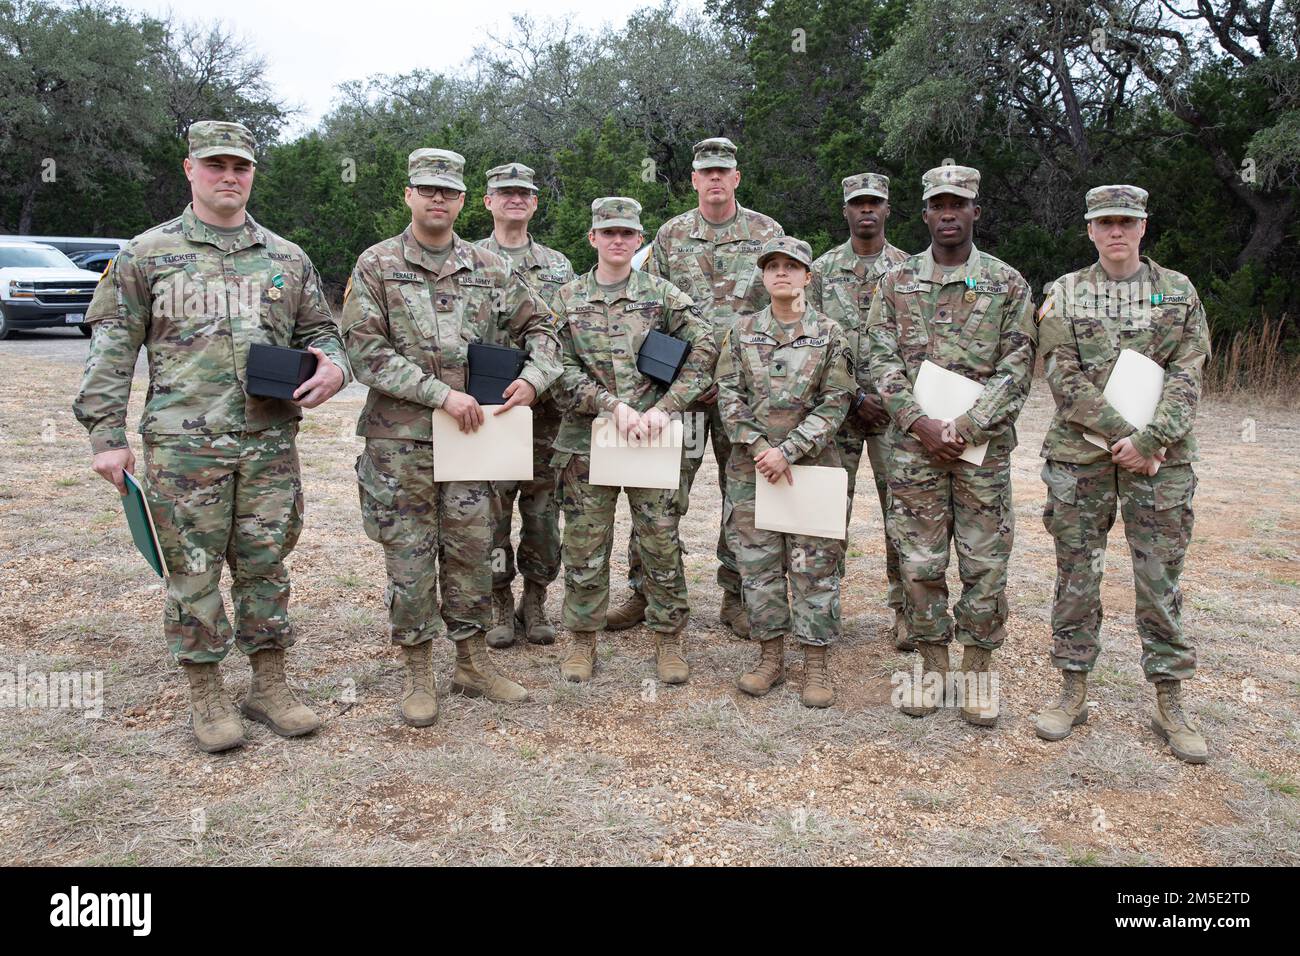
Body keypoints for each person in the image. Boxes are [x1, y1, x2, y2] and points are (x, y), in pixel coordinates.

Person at [73, 120, 351, 753]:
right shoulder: (147, 254)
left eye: (242, 167)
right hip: (183, 447)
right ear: (190, 169)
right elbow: (111, 351)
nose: (230, 177)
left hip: (269, 443)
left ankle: (269, 687)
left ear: (252, 173)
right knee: (192, 570)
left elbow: (323, 333)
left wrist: (334, 366)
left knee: (265, 564)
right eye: (217, 165)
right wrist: (105, 437)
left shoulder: (285, 257)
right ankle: (206, 693)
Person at [342, 148, 562, 727]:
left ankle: (471, 662)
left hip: (474, 441)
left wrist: (533, 380)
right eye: (426, 189)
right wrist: (440, 394)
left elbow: (543, 328)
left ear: (464, 200)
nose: (437, 199)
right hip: (402, 443)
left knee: (470, 551)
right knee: (410, 559)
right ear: (408, 195)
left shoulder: (490, 268)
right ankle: (418, 670)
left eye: (448, 191)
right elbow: (364, 350)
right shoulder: (377, 264)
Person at [1033, 185, 1210, 764]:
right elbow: (1061, 373)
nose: (1115, 232)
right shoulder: (1065, 292)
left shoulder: (1177, 291)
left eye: (1126, 222)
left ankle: (1169, 699)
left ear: (1143, 227)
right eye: (1105, 222)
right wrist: (1118, 435)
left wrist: (1151, 440)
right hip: (1082, 459)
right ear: (1089, 229)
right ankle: (1073, 686)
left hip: (1160, 464)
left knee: (1159, 582)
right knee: (1076, 576)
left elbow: (1189, 371)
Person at [865, 164, 1036, 726]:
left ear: (974, 213)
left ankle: (979, 670)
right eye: (938, 205)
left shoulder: (1008, 284)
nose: (947, 214)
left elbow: (1017, 365)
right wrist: (918, 422)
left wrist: (966, 426)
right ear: (924, 214)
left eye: (957, 205)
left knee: (985, 560)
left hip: (980, 449)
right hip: (915, 448)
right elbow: (878, 355)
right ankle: (933, 665)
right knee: (919, 560)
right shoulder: (896, 282)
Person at [608, 137, 784, 638]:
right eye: (704, 172)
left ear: (735, 178)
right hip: (681, 393)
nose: (713, 180)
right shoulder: (670, 235)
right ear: (692, 179)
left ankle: (738, 597)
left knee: (744, 496)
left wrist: (731, 375)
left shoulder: (766, 232)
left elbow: (781, 308)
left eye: (722, 172)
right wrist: (683, 377)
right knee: (659, 490)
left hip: (744, 393)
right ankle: (646, 590)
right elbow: (651, 309)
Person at [551, 197, 717, 684]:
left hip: (652, 438)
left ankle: (668, 639)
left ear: (639, 240)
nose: (618, 241)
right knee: (584, 543)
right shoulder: (567, 298)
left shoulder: (663, 295)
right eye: (608, 233)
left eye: (627, 233)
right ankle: (582, 641)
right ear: (593, 239)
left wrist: (666, 409)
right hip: (589, 438)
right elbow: (556, 365)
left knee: (660, 541)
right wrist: (609, 404)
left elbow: (706, 349)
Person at [716, 237, 854, 707]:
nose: (781, 273)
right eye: (772, 266)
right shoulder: (741, 331)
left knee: (814, 567)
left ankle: (816, 662)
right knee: (758, 567)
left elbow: (836, 401)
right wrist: (758, 446)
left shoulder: (831, 333)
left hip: (809, 467)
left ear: (807, 276)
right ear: (762, 275)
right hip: (751, 467)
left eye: (791, 266)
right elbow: (727, 392)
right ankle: (770, 657)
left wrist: (789, 450)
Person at [809, 173, 912, 650]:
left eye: (875, 203)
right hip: (837, 410)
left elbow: (920, 343)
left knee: (905, 513)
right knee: (827, 513)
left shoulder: (910, 270)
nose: (866, 210)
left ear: (888, 209)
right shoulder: (822, 269)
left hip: (897, 412)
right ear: (845, 210)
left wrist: (892, 398)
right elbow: (809, 338)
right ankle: (822, 611)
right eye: (857, 204)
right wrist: (852, 396)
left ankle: (907, 611)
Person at [475, 162, 575, 648]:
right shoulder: (467, 259)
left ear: (535, 203)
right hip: (489, 409)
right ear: (488, 201)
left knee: (542, 515)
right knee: (490, 513)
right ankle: (497, 601)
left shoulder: (558, 266)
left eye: (524, 193)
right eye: (504, 192)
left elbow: (566, 335)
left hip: (546, 412)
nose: (515, 199)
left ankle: (534, 602)